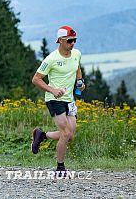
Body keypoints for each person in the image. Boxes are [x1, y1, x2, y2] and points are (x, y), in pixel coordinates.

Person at [31, 25, 85, 176]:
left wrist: (80, 82)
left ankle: (42, 135)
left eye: (75, 40)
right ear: (60, 41)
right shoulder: (51, 59)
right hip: (54, 100)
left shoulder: (76, 54)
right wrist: (53, 90)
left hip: (69, 100)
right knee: (66, 133)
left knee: (71, 136)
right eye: (70, 41)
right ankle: (60, 168)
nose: (73, 43)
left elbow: (77, 69)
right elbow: (36, 79)